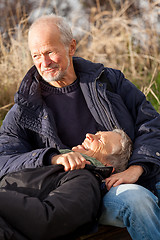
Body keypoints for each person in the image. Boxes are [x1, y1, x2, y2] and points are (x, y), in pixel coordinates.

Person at [0, 14, 160, 240]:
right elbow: (3, 159)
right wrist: (51, 157)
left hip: (140, 174)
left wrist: (138, 168)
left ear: (71, 46)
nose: (44, 63)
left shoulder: (108, 80)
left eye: (50, 52)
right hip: (88, 193)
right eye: (36, 55)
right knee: (137, 201)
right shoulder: (25, 108)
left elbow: (151, 124)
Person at [0, 129, 130, 240]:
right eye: (96, 133)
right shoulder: (53, 164)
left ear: (108, 165)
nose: (88, 135)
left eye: (100, 140)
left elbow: (49, 222)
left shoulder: (85, 180)